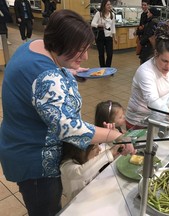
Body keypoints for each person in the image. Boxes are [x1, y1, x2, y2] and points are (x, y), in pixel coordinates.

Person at [0, 9, 134, 216]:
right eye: (79, 51)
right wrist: (115, 135)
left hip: (17, 139)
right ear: (60, 44)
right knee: (47, 210)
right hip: (35, 159)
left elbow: (43, 75)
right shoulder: (47, 78)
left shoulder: (33, 46)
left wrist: (67, 70)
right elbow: (70, 129)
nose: (86, 57)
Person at [126, 20, 169, 129]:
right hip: (139, 122)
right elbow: (153, 101)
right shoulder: (145, 71)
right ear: (156, 54)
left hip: (160, 119)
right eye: (164, 61)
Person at [91, 0, 117, 67]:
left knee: (110, 54)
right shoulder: (98, 14)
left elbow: (113, 26)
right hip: (100, 36)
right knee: (101, 54)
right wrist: (99, 25)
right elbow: (92, 24)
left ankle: (108, 68)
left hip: (109, 36)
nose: (109, 6)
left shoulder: (112, 14)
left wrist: (115, 37)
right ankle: (102, 68)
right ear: (104, 5)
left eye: (110, 4)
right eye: (107, 5)